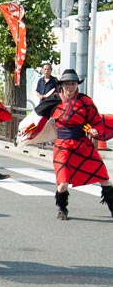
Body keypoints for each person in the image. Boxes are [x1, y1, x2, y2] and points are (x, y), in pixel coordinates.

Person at [33, 68, 113, 220]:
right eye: (67, 84)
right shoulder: (54, 100)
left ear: (77, 85)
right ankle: (62, 208)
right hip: (62, 145)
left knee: (104, 178)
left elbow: (94, 120)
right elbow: (38, 118)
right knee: (63, 183)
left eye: (73, 84)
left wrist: (94, 130)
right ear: (61, 85)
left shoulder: (85, 101)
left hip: (83, 144)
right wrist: (29, 132)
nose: (70, 87)